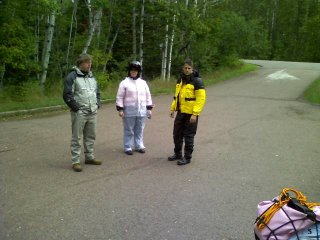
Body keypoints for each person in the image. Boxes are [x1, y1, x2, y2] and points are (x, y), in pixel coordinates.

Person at [63, 53, 101, 172]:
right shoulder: (72, 76)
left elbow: (97, 92)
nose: (89, 64)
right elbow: (67, 94)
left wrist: (97, 104)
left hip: (92, 111)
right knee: (77, 137)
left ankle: (89, 157)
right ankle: (76, 161)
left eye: (90, 62)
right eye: (87, 62)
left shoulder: (92, 77)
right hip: (80, 112)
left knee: (91, 136)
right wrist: (76, 108)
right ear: (80, 64)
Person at [168, 59, 206, 165]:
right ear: (183, 68)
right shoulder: (180, 80)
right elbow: (177, 96)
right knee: (177, 134)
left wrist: (195, 114)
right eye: (185, 68)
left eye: (189, 68)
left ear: (192, 69)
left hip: (191, 114)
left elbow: (201, 99)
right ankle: (178, 154)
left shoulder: (197, 81)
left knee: (188, 136)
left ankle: (187, 157)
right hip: (181, 112)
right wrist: (173, 109)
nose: (187, 70)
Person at [116, 61, 153, 155]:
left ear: (138, 71)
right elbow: (119, 97)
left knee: (140, 129)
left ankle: (139, 145)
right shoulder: (124, 83)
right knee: (129, 129)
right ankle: (128, 147)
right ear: (129, 71)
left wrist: (149, 108)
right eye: (132, 70)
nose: (133, 72)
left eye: (135, 70)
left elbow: (148, 96)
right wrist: (120, 109)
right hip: (129, 110)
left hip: (141, 110)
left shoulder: (143, 83)